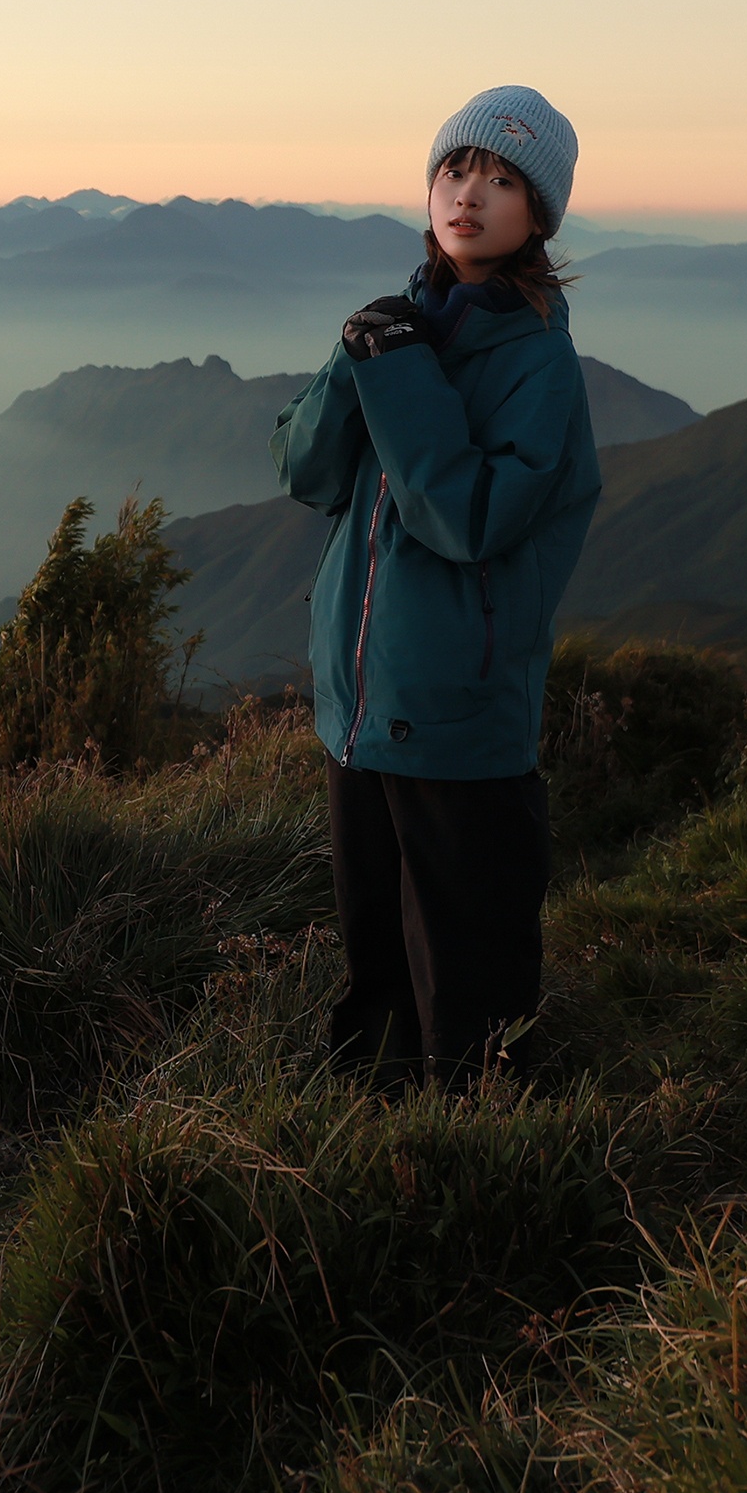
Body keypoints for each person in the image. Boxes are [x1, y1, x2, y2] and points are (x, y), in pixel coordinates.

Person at [273, 86, 601, 1089]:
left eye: (502, 181)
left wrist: (399, 375)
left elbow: (465, 519)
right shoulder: (403, 327)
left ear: (536, 218)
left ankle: (482, 1149)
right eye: (456, 169)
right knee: (377, 960)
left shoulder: (538, 364)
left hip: (458, 712)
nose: (469, 194)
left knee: (469, 984)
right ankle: (374, 1134)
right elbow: (305, 472)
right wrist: (354, 360)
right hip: (362, 704)